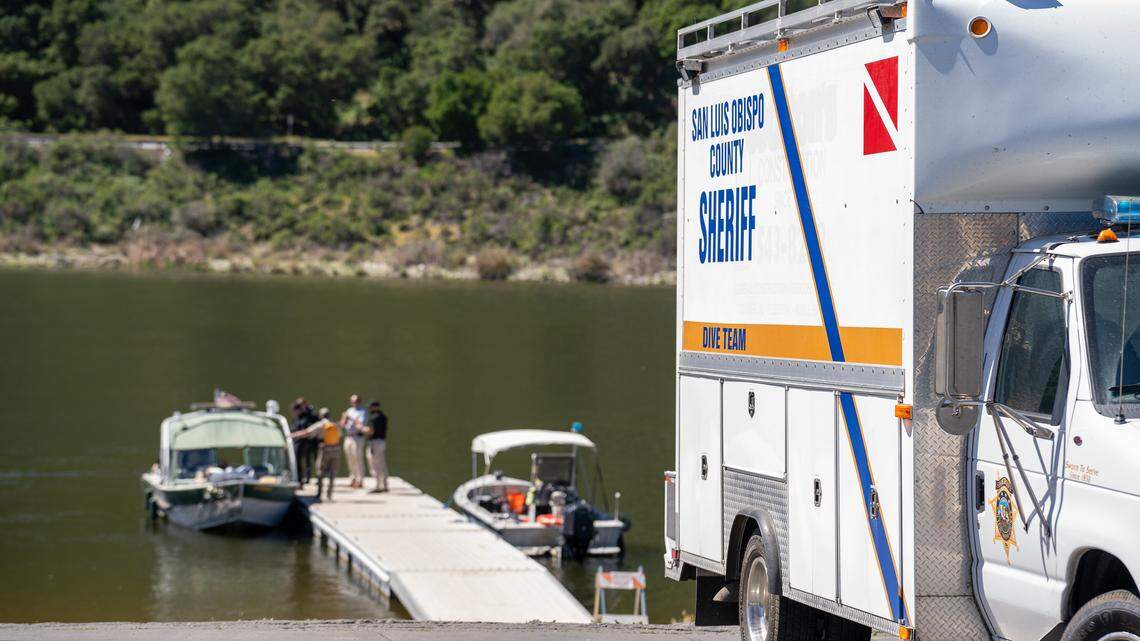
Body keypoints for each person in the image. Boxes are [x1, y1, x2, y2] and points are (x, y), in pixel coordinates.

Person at [292, 407, 341, 501]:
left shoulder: (321, 424)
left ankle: (319, 494)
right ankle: (329, 495)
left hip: (325, 449)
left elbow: (307, 432)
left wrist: (294, 435)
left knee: (320, 472)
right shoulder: (335, 424)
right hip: (336, 449)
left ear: (321, 415)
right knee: (332, 473)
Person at [340, 394, 367, 489]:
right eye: (352, 401)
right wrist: (344, 418)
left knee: (358, 459)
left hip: (357, 437)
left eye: (355, 401)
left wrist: (350, 418)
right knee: (350, 459)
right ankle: (352, 478)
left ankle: (360, 480)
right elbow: (342, 425)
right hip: (348, 437)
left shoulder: (363, 411)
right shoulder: (349, 410)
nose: (353, 403)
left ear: (359, 401)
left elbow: (361, 424)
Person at [291, 398, 319, 486]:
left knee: (311, 460)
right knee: (298, 460)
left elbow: (309, 428)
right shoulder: (298, 417)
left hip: (309, 441)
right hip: (299, 441)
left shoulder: (310, 414)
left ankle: (309, 477)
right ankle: (301, 478)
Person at [365, 401, 389, 493]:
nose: (369, 409)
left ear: (376, 407)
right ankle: (385, 485)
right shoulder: (383, 416)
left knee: (374, 464)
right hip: (381, 442)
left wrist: (362, 429)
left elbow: (371, 431)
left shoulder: (375, 418)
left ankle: (378, 486)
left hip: (375, 443)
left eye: (371, 407)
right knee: (382, 463)